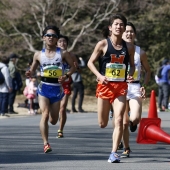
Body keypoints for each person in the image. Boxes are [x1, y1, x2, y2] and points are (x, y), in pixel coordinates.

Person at [87, 13, 135, 163]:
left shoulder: (129, 47)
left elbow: (132, 66)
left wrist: (129, 75)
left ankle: (114, 153)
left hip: (120, 86)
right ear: (110, 27)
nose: (119, 27)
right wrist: (100, 76)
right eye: (116, 24)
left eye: (121, 24)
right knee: (102, 124)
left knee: (120, 119)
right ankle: (109, 112)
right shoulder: (102, 44)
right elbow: (90, 63)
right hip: (105, 86)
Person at [25, 25, 75, 153]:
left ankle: (55, 128)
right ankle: (46, 143)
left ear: (57, 38)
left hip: (57, 89)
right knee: (45, 115)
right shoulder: (38, 55)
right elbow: (32, 70)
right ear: (43, 38)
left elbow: (73, 67)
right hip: (44, 88)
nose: (50, 38)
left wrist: (66, 75)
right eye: (48, 35)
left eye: (53, 36)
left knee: (53, 120)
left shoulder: (63, 53)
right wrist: (29, 73)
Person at [121, 22, 151, 158]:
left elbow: (148, 71)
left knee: (135, 118)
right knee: (123, 122)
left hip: (134, 87)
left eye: (131, 31)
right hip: (120, 87)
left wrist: (144, 85)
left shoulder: (141, 52)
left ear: (135, 34)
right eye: (126, 31)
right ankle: (126, 147)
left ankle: (132, 124)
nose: (129, 34)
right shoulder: (116, 50)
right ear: (121, 33)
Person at [56, 34, 78, 138]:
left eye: (64, 41)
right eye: (60, 41)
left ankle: (60, 129)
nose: (62, 43)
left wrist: (75, 67)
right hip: (54, 85)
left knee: (62, 107)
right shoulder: (53, 55)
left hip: (65, 84)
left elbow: (76, 68)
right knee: (54, 109)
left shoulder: (71, 55)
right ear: (56, 43)